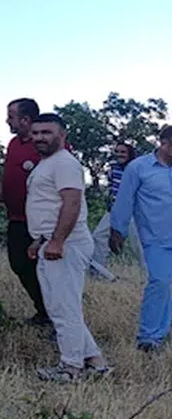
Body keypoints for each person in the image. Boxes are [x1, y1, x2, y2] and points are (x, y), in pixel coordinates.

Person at [25, 113, 110, 382]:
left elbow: (71, 204)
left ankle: (71, 368)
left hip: (67, 244)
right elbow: (48, 206)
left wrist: (58, 241)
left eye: (47, 133)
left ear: (62, 135)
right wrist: (39, 240)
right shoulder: (47, 164)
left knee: (63, 308)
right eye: (36, 133)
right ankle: (96, 363)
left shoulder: (64, 163)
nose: (40, 138)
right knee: (62, 305)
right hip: (51, 241)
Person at [0, 98, 51, 328]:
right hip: (16, 219)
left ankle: (56, 317)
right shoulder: (13, 144)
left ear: (25, 119)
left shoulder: (46, 146)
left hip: (41, 223)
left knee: (46, 269)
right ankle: (43, 310)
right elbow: (8, 179)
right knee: (19, 264)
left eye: (11, 116)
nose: (7, 121)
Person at [108, 126, 172, 353]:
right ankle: (149, 337)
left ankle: (164, 328)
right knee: (160, 282)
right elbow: (124, 200)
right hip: (156, 237)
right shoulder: (138, 168)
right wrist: (117, 230)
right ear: (163, 142)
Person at [88, 142, 140, 281]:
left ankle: (152, 277)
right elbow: (112, 189)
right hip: (114, 211)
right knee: (98, 237)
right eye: (117, 151)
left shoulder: (137, 169)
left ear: (130, 154)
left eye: (123, 152)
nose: (119, 155)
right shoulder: (113, 168)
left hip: (133, 213)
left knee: (139, 244)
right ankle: (97, 275)